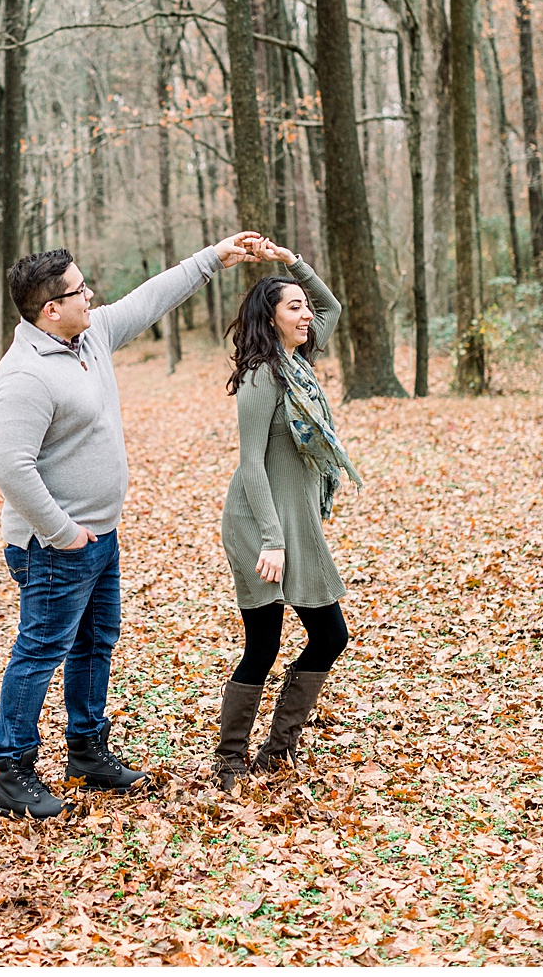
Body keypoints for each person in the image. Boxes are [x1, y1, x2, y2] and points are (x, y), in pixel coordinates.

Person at [0, 232, 263, 819]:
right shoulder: (24, 376)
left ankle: (86, 751)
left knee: (94, 644)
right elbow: (10, 468)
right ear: (50, 310)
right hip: (54, 545)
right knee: (40, 651)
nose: (91, 296)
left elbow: (151, 298)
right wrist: (63, 532)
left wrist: (214, 257)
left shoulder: (90, 337)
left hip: (100, 536)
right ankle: (11, 771)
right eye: (78, 290)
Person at [213, 238, 361, 791]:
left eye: (303, 306)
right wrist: (271, 542)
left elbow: (333, 308)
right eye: (292, 306)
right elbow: (251, 467)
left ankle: (278, 751)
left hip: (298, 524)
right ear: (270, 319)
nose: (306, 314)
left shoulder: (299, 364)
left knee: (330, 635)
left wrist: (290, 263)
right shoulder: (262, 376)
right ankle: (230, 764)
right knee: (264, 643)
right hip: (260, 526)